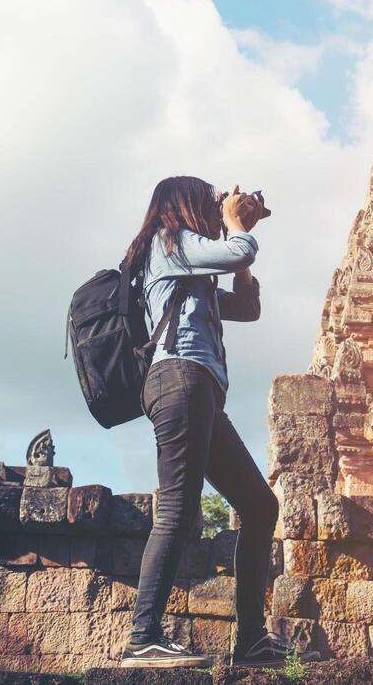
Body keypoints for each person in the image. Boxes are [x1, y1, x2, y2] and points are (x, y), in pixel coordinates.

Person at [118, 175, 321, 669]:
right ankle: (143, 636)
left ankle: (250, 638)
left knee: (259, 506)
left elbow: (247, 306)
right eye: (208, 199)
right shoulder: (170, 244)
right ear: (183, 204)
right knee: (179, 510)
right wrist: (234, 226)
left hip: (202, 389)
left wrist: (241, 238)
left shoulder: (193, 264)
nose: (217, 206)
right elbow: (237, 251)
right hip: (179, 379)